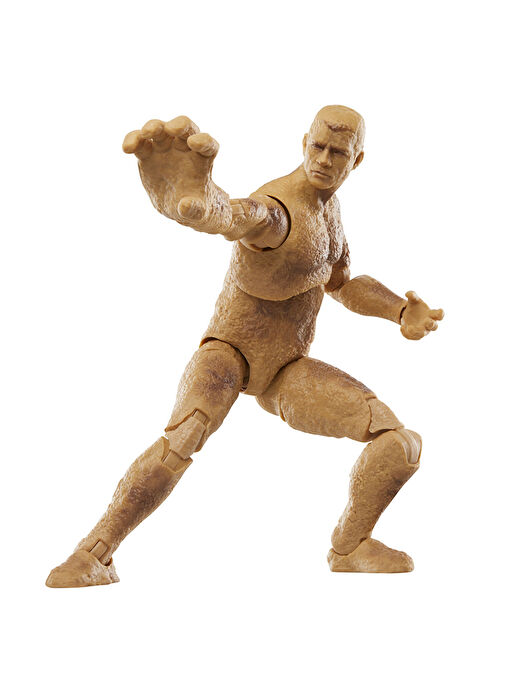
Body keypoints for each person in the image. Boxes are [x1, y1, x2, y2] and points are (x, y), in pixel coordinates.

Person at [46, 106, 444, 587]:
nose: (323, 159)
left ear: (356, 160)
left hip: (286, 370)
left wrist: (399, 310)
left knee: (400, 444)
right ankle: (93, 553)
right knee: (183, 439)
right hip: (227, 355)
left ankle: (350, 546)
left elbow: (341, 282)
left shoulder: (330, 214)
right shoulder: (280, 209)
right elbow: (241, 217)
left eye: (337, 152)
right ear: (303, 143)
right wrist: (199, 204)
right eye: (317, 146)